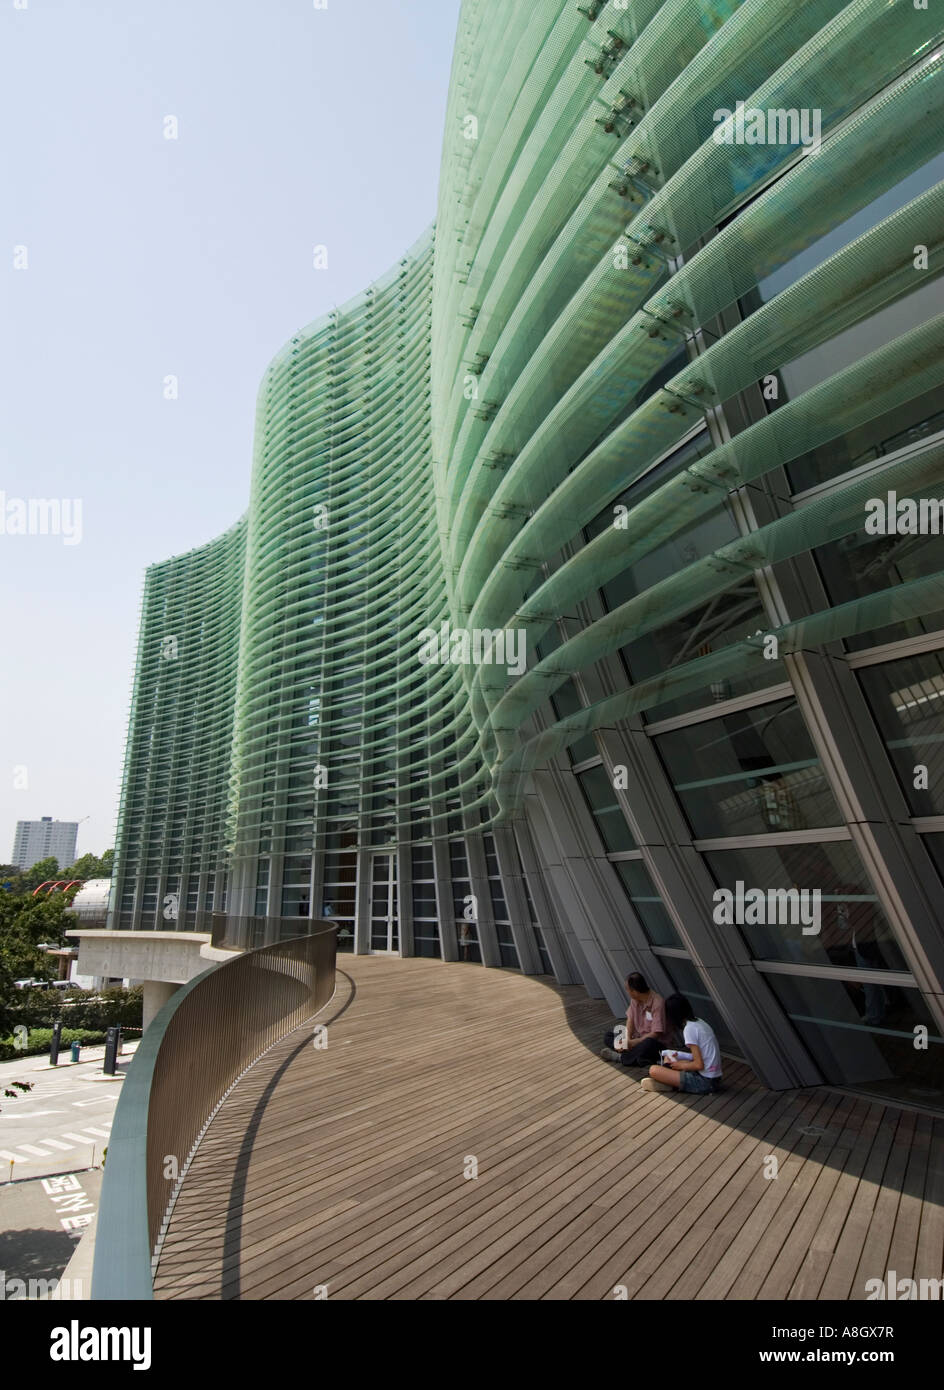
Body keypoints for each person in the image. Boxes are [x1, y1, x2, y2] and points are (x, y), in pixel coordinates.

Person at [641, 993, 723, 1094]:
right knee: (669, 1058)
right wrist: (681, 1057)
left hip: (705, 1082)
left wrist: (681, 1066)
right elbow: (700, 1056)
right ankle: (670, 1082)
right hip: (714, 1078)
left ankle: (669, 1084)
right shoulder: (699, 1022)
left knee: (653, 1070)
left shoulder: (689, 1029)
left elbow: (698, 1065)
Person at [600, 973, 675, 1067]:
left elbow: (656, 1034)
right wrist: (627, 1039)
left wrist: (632, 1043)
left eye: (627, 989)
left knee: (648, 1043)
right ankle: (633, 1054)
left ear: (634, 991)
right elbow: (630, 1019)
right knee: (609, 1034)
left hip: (655, 1043)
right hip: (637, 1038)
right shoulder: (635, 999)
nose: (627, 992)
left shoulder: (657, 1003)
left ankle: (620, 1057)